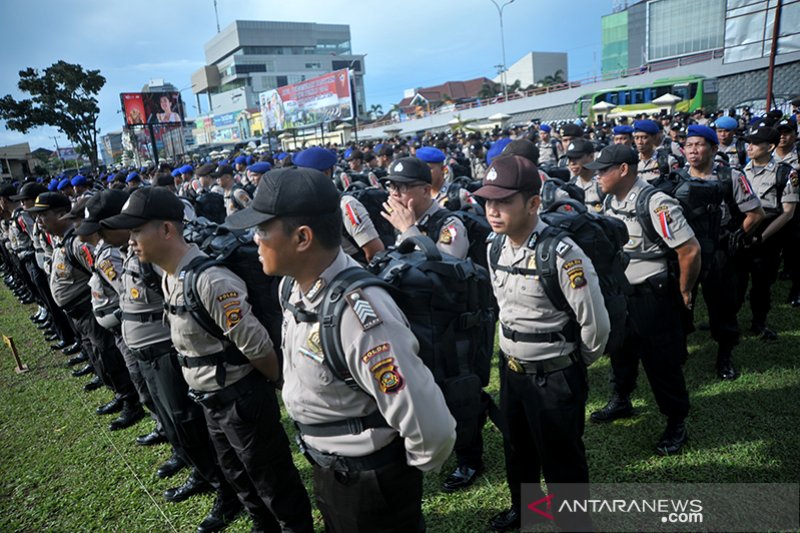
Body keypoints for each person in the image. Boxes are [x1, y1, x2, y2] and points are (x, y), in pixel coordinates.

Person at [224, 166, 456, 532]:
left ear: (302, 237)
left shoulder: (359, 313)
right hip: (331, 468)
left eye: (263, 229)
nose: (255, 239)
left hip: (370, 482)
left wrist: (395, 474)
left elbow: (431, 426)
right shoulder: (294, 288)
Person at [106, 187, 314, 532]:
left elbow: (258, 347)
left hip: (241, 399)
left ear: (167, 230)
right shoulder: (171, 276)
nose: (130, 240)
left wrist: (269, 387)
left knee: (271, 480)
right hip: (212, 401)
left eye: (137, 230)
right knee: (238, 476)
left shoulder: (210, 281)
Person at [474, 154, 609, 532]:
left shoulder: (563, 255)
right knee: (518, 450)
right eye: (488, 201)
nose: (493, 211)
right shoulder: (494, 247)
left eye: (504, 202)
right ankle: (526, 510)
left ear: (533, 203)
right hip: (513, 372)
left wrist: (568, 360)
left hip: (555, 375)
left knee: (561, 457)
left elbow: (595, 325)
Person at [590, 144, 698, 456]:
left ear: (623, 170)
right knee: (621, 352)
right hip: (622, 294)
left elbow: (689, 249)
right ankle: (621, 399)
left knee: (661, 362)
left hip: (652, 296)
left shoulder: (655, 203)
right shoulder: (611, 199)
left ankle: (676, 419)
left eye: (603, 170)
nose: (597, 175)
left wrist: (685, 289)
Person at [28, 192, 144, 429]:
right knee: (98, 356)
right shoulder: (63, 242)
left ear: (61, 215)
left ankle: (130, 401)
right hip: (78, 314)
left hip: (91, 310)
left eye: (43, 215)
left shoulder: (79, 245)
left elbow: (101, 274)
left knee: (109, 356)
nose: (39, 221)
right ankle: (120, 396)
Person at [684, 125, 764, 377]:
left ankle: (725, 355)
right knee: (682, 304)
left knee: (722, 307)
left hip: (719, 252)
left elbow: (756, 213)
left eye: (699, 144)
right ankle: (680, 349)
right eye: (689, 145)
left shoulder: (730, 176)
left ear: (714, 148)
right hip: (687, 252)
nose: (693, 150)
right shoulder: (677, 178)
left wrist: (737, 235)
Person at [736, 125, 798, 337]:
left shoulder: (785, 173)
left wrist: (762, 236)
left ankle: (759, 322)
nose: (749, 147)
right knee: (736, 280)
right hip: (743, 229)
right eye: (749, 143)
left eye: (754, 144)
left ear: (770, 147)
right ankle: (729, 318)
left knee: (762, 283)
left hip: (767, 234)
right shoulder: (741, 171)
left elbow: (787, 212)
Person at [294, 146, 386, 264]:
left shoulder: (346, 205)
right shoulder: (303, 207)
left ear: (326, 173)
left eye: (306, 176)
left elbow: (374, 251)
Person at [380, 157, 469, 259]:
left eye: (402, 186)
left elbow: (443, 268)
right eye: (391, 186)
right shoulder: (399, 218)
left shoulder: (450, 225)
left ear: (426, 190)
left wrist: (409, 230)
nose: (395, 193)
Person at [633, 119, 679, 183]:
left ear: (654, 138)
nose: (639, 142)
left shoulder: (667, 161)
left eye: (644, 137)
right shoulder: (632, 161)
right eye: (636, 138)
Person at [565, 138, 604, 211]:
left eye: (577, 158)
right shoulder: (572, 184)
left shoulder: (602, 183)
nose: (572, 163)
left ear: (591, 157)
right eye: (570, 158)